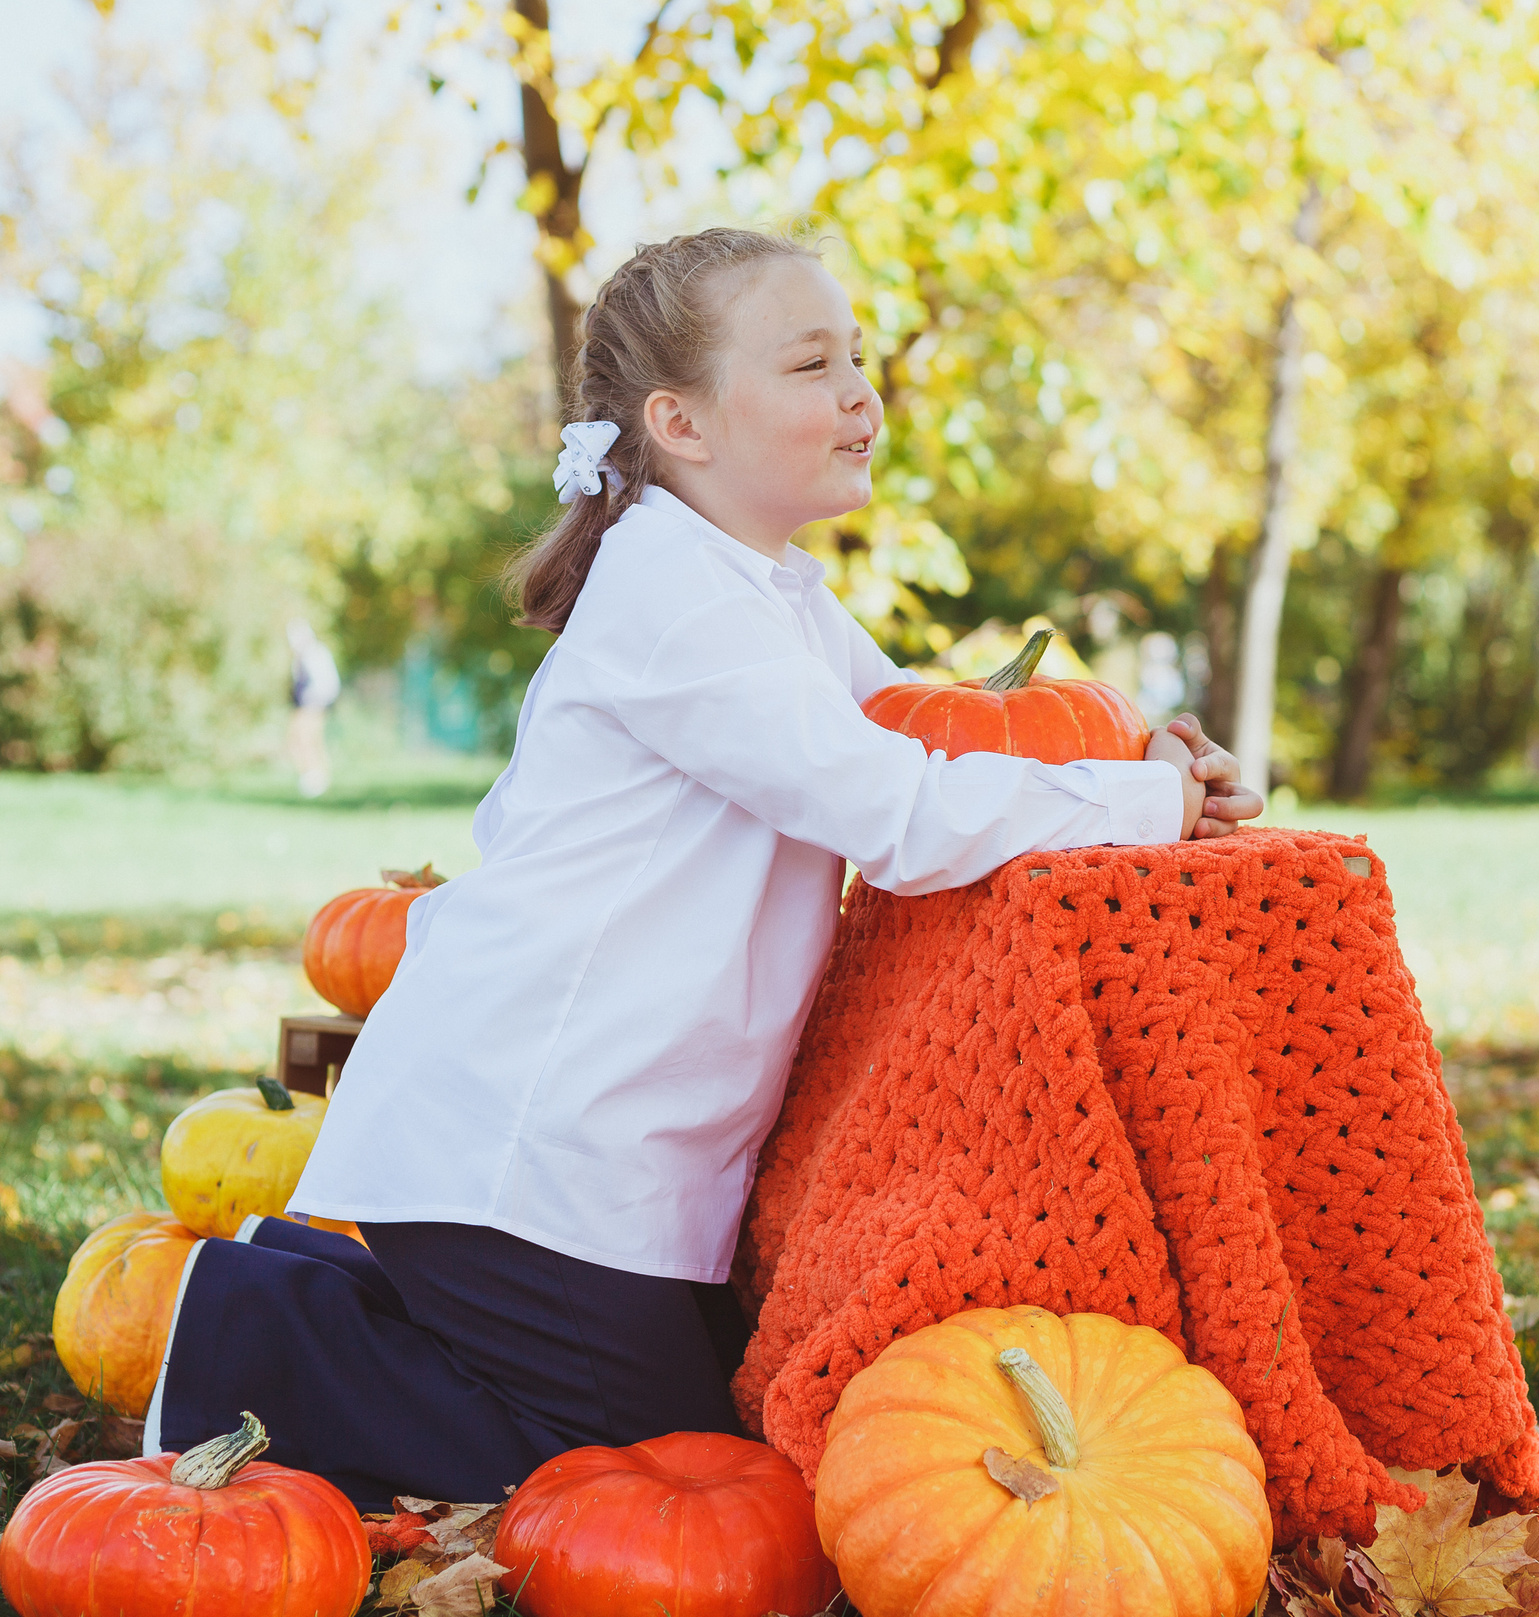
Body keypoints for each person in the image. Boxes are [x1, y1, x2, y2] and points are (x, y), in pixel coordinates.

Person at [142, 228, 1264, 1507]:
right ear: (680, 421)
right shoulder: (669, 600)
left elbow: (932, 727)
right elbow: (890, 807)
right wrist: (1136, 801)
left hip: (624, 1147)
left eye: (856, 358)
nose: (860, 394)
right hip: (526, 1136)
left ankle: (345, 1289)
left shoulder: (764, 588)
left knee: (704, 1427)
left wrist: (1139, 755)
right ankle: (257, 1337)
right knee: (637, 1473)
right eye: (809, 365)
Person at [286, 619, 341, 798]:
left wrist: (321, 703)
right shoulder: (300, 657)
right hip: (303, 705)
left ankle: (317, 779)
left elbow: (329, 683)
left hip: (314, 704)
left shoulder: (317, 654)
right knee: (296, 740)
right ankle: (309, 776)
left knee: (309, 739)